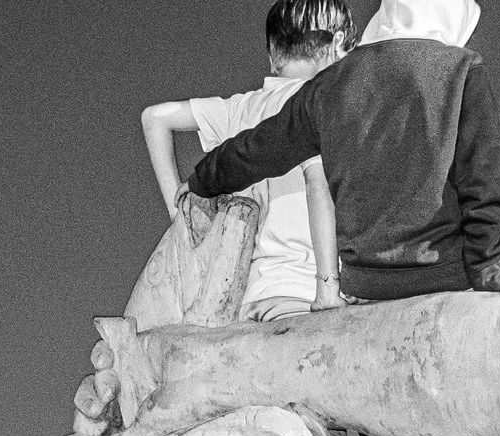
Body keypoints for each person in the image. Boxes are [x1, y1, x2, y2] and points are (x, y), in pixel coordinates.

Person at [188, 0, 500, 436]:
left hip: (364, 289)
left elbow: (260, 149)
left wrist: (203, 178)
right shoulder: (461, 72)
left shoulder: (335, 83)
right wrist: (485, 277)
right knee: (476, 402)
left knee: (388, 414)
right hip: (442, 279)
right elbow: (485, 188)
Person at [142, 0, 356, 321]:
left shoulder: (240, 110)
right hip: (319, 295)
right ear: (337, 45)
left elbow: (155, 118)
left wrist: (179, 218)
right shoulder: (339, 103)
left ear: (273, 55)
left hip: (257, 296)